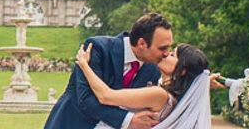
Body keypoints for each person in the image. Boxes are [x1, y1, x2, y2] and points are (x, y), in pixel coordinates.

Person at [44, 13, 173, 129]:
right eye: (162, 48)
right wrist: (128, 120)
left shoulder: (153, 68)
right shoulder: (97, 48)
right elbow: (86, 99)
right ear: (142, 44)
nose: (167, 53)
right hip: (74, 124)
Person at [77, 42, 217, 128]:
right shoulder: (175, 98)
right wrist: (205, 83)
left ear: (183, 70)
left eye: (173, 55)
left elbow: (106, 96)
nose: (165, 54)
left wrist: (84, 66)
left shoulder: (158, 95)